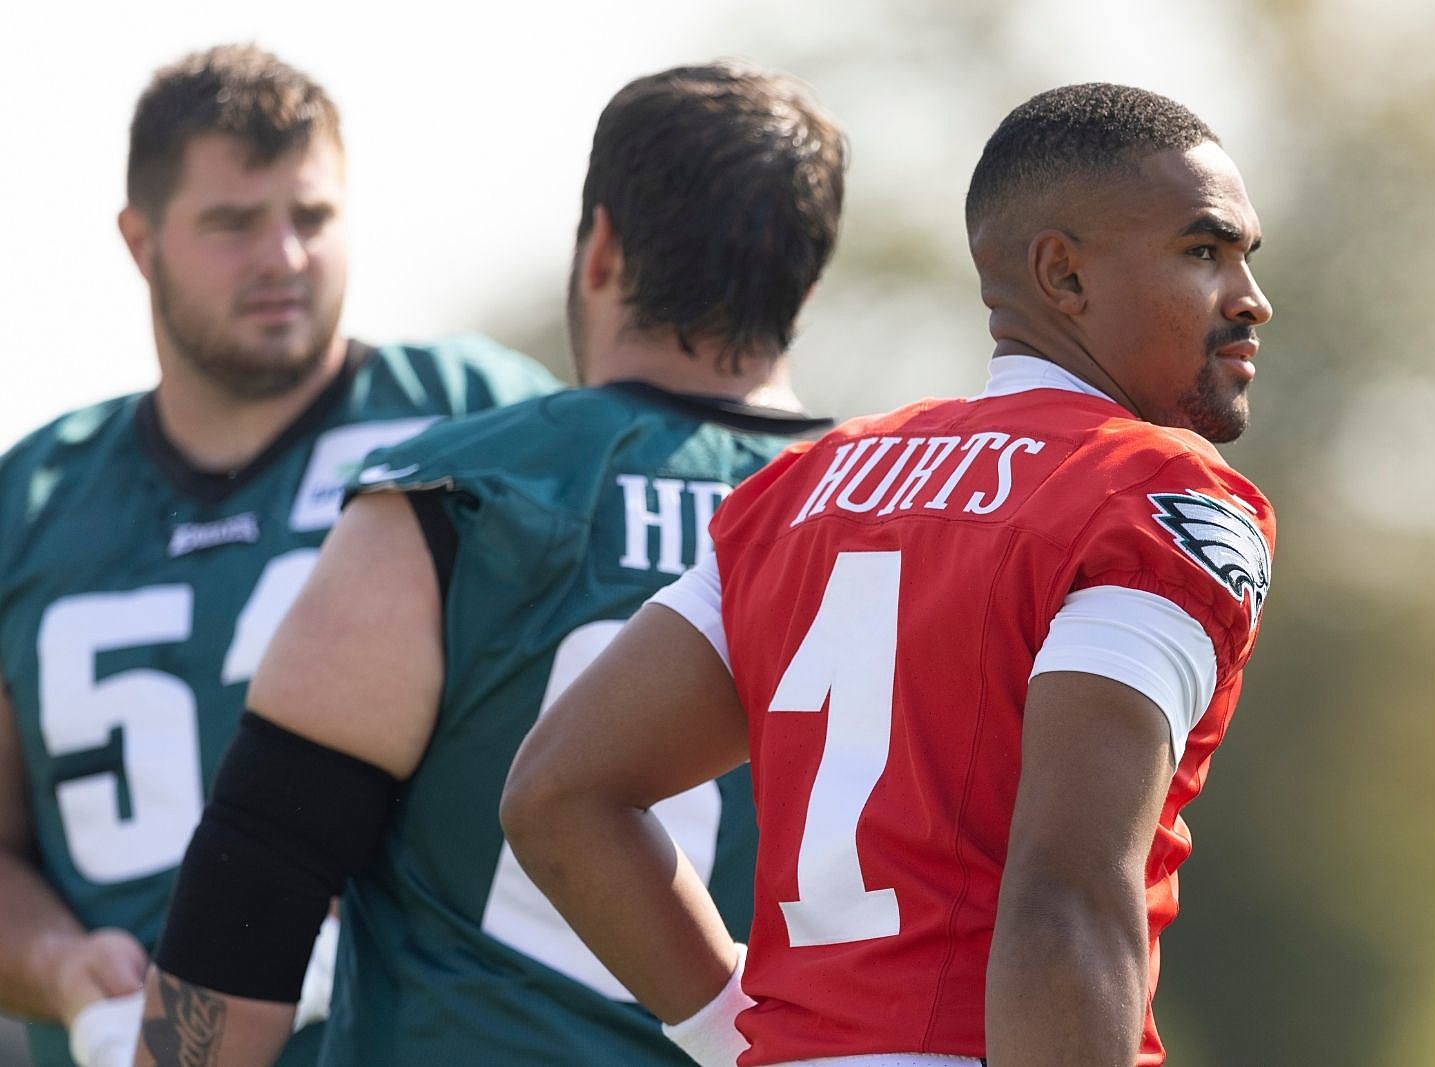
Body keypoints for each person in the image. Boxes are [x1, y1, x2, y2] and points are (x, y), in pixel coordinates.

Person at [500, 82, 1277, 1067]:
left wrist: (726, 1029)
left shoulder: (806, 485)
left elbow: (558, 791)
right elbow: (1063, 895)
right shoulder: (1151, 490)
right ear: (1062, 275)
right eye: (1203, 251)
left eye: (1246, 255)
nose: (1250, 297)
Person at [132, 61, 846, 1067]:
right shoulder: (910, 517)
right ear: (806, 285)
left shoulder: (457, 498)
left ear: (600, 249)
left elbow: (255, 879)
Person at [0, 43, 558, 1067]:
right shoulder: (29, 497)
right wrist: (59, 959)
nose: (284, 259)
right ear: (140, 242)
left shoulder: (479, 418)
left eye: (311, 218)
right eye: (232, 224)